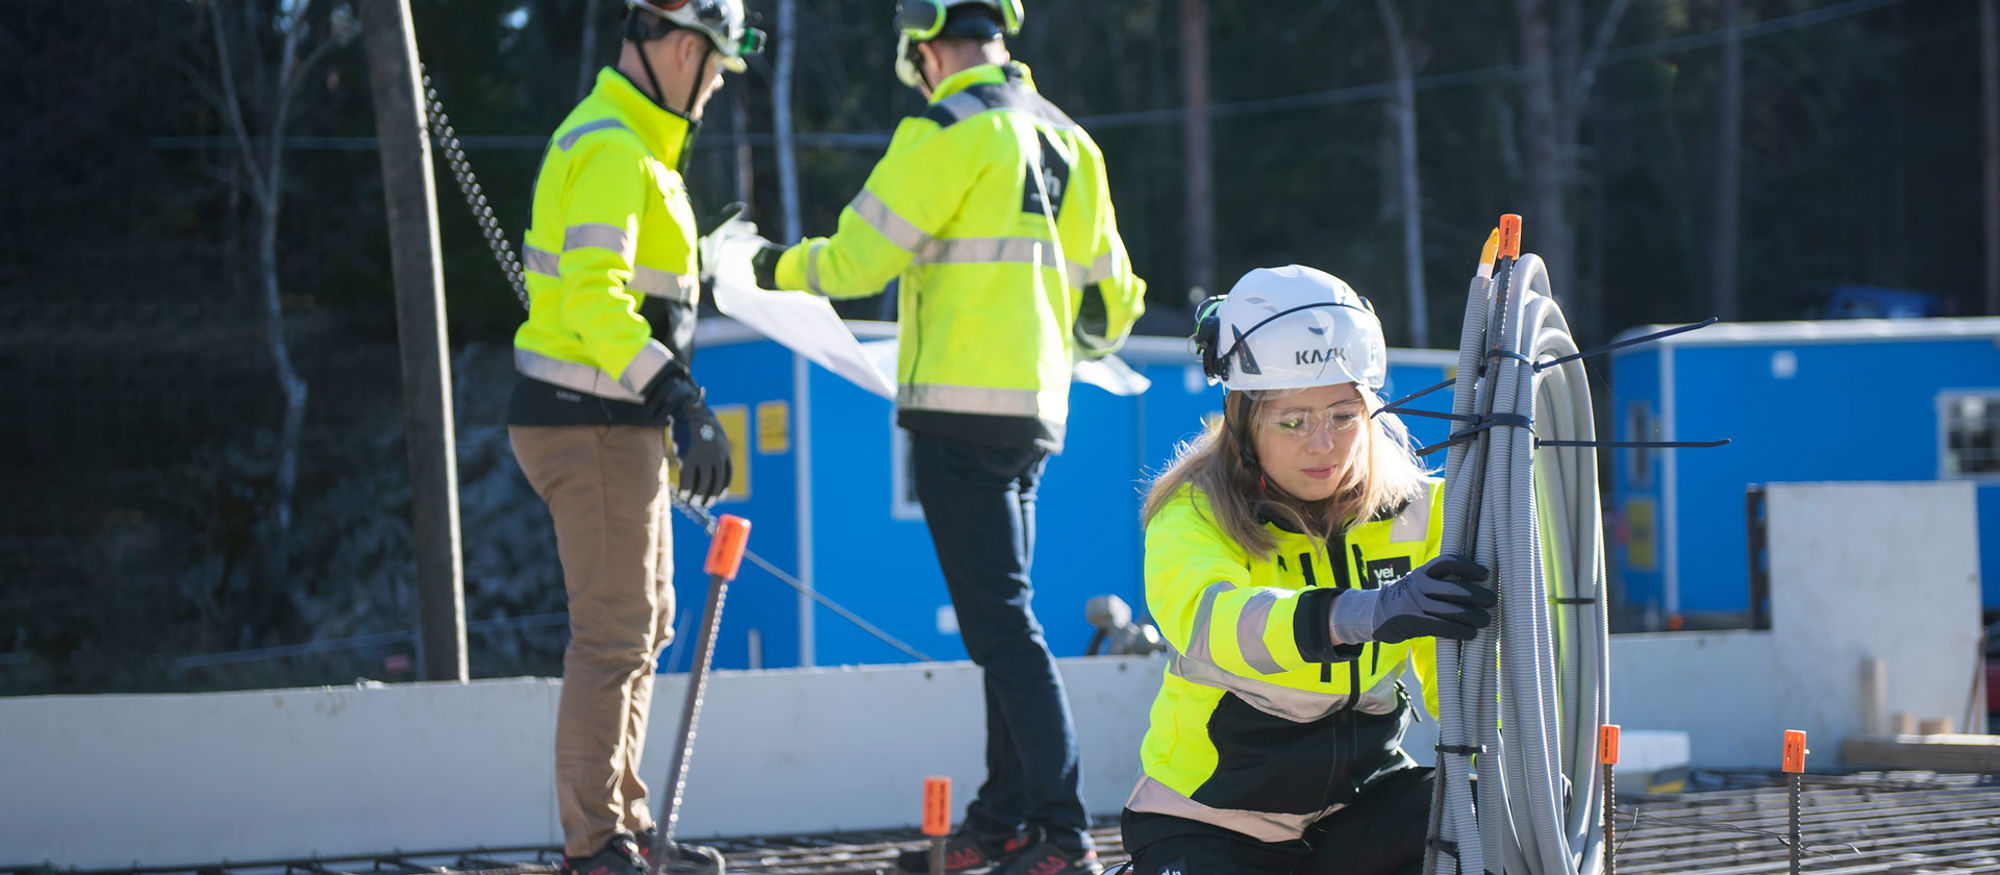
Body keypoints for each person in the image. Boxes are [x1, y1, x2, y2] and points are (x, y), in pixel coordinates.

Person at [710, 3, 1144, 873]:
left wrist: (760, 267)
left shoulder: (945, 130)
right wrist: (1051, 344)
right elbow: (1114, 306)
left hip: (956, 420)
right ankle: (1003, 822)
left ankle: (1059, 834)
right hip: (1034, 419)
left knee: (1005, 633)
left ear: (926, 46)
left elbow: (855, 262)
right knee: (1004, 625)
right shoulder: (1071, 142)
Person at [1119, 266, 1496, 875]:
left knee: (1507, 813)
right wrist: (1364, 613)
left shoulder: (1419, 511)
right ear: (1243, 420)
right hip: (1212, 822)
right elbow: (1219, 624)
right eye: (1293, 421)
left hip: (1360, 809)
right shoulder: (1193, 512)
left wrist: (1518, 761)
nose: (1323, 446)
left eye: (1344, 416)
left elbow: (1457, 678)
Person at [506, 3, 761, 874]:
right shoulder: (615, 146)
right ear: (684, 49)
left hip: (617, 422)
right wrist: (679, 395)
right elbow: (593, 301)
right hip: (588, 424)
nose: (720, 85)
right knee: (614, 629)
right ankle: (595, 846)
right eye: (718, 68)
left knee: (643, 624)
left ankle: (625, 828)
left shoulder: (639, 150)